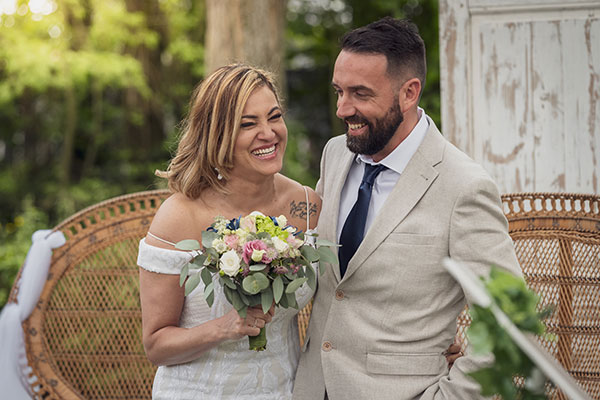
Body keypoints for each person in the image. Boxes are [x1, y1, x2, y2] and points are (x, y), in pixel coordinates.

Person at [292, 17, 522, 400]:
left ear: (409, 92)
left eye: (360, 94)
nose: (342, 109)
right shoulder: (335, 154)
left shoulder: (464, 187)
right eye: (339, 92)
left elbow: (513, 324)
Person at [137, 64, 321, 399]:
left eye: (274, 116)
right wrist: (224, 327)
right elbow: (156, 345)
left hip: (288, 390)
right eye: (247, 124)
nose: (268, 133)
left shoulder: (305, 205)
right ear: (217, 134)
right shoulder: (179, 217)